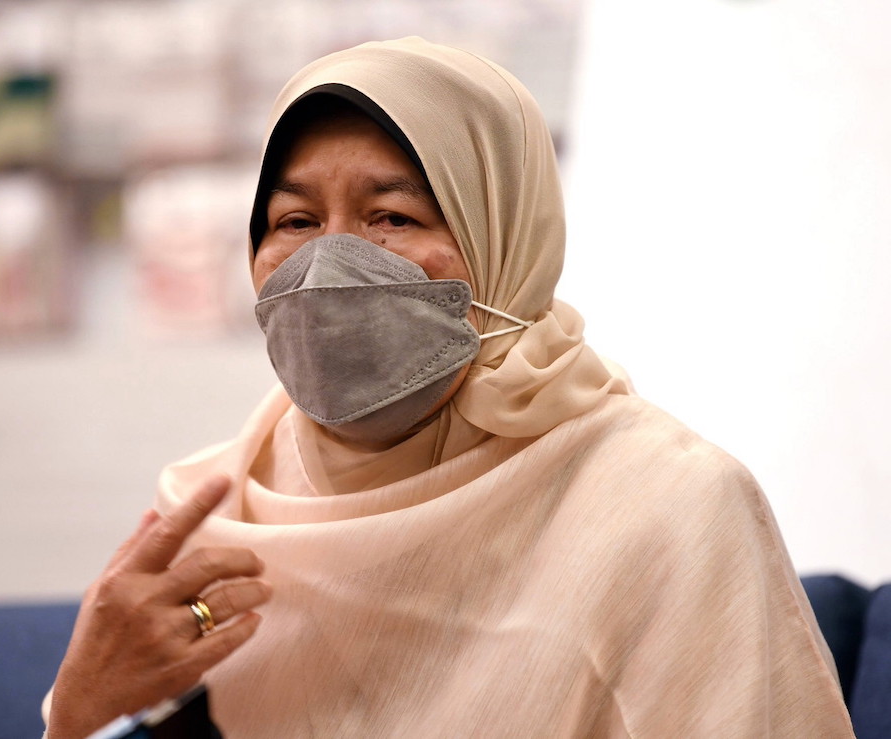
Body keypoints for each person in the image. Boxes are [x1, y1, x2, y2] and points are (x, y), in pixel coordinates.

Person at [46, 38, 854, 737]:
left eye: (391, 216)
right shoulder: (212, 517)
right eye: (294, 222)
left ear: (506, 233)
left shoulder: (666, 510)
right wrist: (82, 712)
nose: (328, 266)